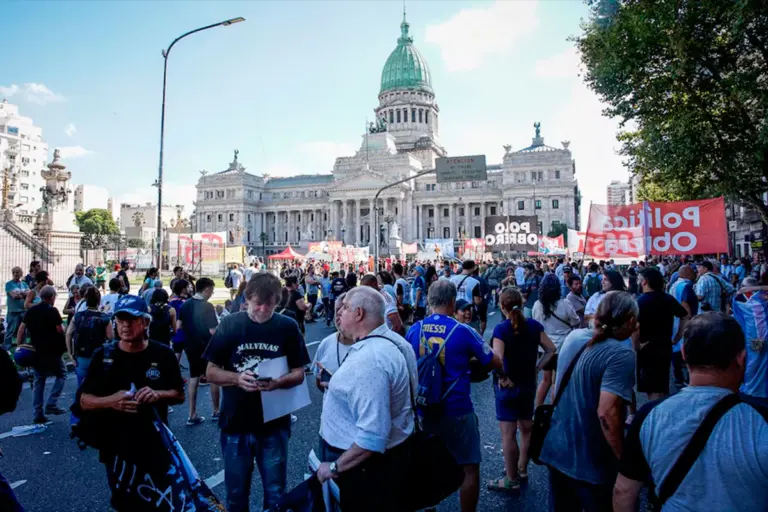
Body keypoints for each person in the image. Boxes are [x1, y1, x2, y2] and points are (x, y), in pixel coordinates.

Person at [614, 314, 768, 512]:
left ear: (684, 353)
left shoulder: (649, 415)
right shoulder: (761, 418)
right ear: (741, 358)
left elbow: (624, 492)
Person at [205, 273, 310, 512]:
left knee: (275, 493)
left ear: (278, 302)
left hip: (273, 424)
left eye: (269, 304)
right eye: (257, 304)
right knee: (236, 493)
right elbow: (211, 372)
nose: (262, 310)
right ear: (246, 299)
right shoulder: (231, 324)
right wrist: (236, 378)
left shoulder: (287, 326)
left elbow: (299, 373)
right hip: (235, 423)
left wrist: (277, 382)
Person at [76, 294, 185, 512]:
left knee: (161, 502)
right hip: (117, 446)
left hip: (155, 444)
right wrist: (112, 401)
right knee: (125, 504)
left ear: (145, 322)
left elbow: (178, 395)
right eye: (120, 319)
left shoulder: (162, 354)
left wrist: (158, 395)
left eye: (132, 319)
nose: (125, 325)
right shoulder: (104, 356)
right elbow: (84, 401)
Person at [316, 287, 417, 511]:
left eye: (345, 308)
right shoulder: (397, 343)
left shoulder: (371, 360)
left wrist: (333, 466)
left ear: (359, 313)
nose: (339, 313)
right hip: (391, 456)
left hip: (364, 467)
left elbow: (372, 437)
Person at [406, 280, 502, 511]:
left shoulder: (414, 330)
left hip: (424, 408)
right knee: (468, 466)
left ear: (429, 301)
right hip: (457, 407)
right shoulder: (463, 330)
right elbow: (494, 361)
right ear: (452, 302)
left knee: (425, 464)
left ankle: (428, 506)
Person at [539, 291, 637, 511]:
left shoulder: (574, 337)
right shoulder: (621, 354)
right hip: (594, 460)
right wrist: (624, 460)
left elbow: (556, 388)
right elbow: (607, 414)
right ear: (631, 320)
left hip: (558, 447)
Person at [489, 287, 555, 491]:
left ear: (502, 306)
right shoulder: (534, 326)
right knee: (526, 428)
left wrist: (503, 377)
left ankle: (511, 479)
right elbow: (551, 349)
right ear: (522, 303)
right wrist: (537, 367)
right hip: (528, 384)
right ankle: (522, 469)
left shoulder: (501, 329)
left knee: (508, 434)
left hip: (508, 387)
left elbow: (497, 359)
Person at [636, 267, 689, 401]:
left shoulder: (640, 302)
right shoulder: (667, 299)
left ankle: (655, 415)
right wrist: (678, 336)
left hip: (647, 348)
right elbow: (684, 315)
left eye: (639, 279)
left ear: (645, 282)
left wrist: (636, 345)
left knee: (651, 388)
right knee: (661, 385)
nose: (638, 282)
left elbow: (635, 327)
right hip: (665, 346)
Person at [17, 285, 67, 424]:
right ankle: (51, 403)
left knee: (39, 380)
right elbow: (59, 329)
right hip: (52, 350)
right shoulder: (52, 311)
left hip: (36, 350)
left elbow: (21, 330)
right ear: (52, 297)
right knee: (62, 374)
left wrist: (20, 346)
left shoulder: (31, 311)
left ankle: (37, 413)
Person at [533, 274, 580, 407]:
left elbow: (536, 324)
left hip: (544, 347)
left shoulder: (538, 305)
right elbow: (575, 321)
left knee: (545, 380)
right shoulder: (564, 303)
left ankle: (538, 409)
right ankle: (554, 411)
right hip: (563, 347)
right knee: (556, 381)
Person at [179, 277, 220, 425]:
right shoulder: (207, 306)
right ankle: (216, 410)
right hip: (207, 345)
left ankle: (192, 413)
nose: (212, 293)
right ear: (207, 289)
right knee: (213, 377)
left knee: (194, 377)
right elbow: (213, 330)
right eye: (212, 291)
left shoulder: (185, 305)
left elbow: (179, 325)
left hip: (190, 345)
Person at [66, 287, 113, 386]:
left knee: (82, 387)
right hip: (99, 355)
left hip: (81, 355)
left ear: (85, 299)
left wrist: (70, 353)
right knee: (98, 386)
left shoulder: (78, 315)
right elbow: (110, 337)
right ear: (99, 300)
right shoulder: (104, 317)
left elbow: (68, 333)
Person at [731, 285, 768, 403]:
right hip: (757, 338)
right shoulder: (758, 300)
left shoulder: (744, 299)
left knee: (753, 363)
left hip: (754, 338)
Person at [312, 294, 351, 393]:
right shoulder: (326, 343)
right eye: (336, 310)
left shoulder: (369, 347)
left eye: (345, 311)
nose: (339, 315)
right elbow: (319, 383)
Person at [668, 265, 699, 388]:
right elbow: (685, 305)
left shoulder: (674, 285)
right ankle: (687, 378)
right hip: (684, 323)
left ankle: (678, 377)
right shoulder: (687, 286)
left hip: (675, 321)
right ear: (687, 272)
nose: (695, 273)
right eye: (692, 271)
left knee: (676, 349)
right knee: (686, 349)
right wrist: (691, 320)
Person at [5, 266, 29, 350]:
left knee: (23, 330)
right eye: (14, 272)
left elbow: (29, 295)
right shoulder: (9, 284)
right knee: (10, 330)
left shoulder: (24, 284)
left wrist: (20, 294)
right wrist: (23, 294)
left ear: (21, 273)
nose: (15, 274)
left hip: (23, 310)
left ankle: (23, 346)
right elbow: (14, 296)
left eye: (17, 272)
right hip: (13, 311)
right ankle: (6, 347)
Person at [168, 279, 189, 366]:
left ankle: (174, 374)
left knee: (177, 354)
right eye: (188, 286)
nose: (189, 288)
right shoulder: (187, 302)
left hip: (175, 331)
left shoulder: (172, 301)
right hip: (186, 332)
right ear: (183, 289)